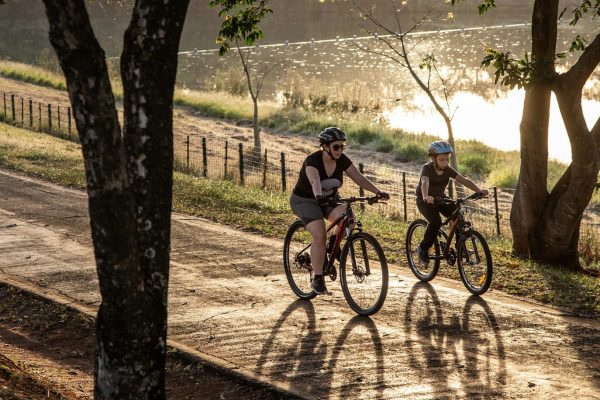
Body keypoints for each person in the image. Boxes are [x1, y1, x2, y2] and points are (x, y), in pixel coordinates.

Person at [290, 127, 390, 294]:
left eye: (343, 146)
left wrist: (377, 192)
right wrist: (318, 196)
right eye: (336, 147)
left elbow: (358, 178)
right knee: (319, 233)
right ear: (325, 146)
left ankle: (331, 246)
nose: (340, 150)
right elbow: (315, 182)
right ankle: (318, 278)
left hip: (329, 199)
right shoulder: (312, 161)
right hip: (305, 200)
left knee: (349, 219)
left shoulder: (342, 160)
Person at [415, 140, 489, 266]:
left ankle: (460, 247)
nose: (445, 162)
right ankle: (423, 248)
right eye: (442, 159)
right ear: (433, 158)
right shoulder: (427, 169)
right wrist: (426, 196)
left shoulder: (448, 170)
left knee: (457, 217)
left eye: (447, 159)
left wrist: (479, 191)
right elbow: (424, 182)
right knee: (436, 222)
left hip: (441, 198)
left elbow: (463, 180)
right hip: (425, 200)